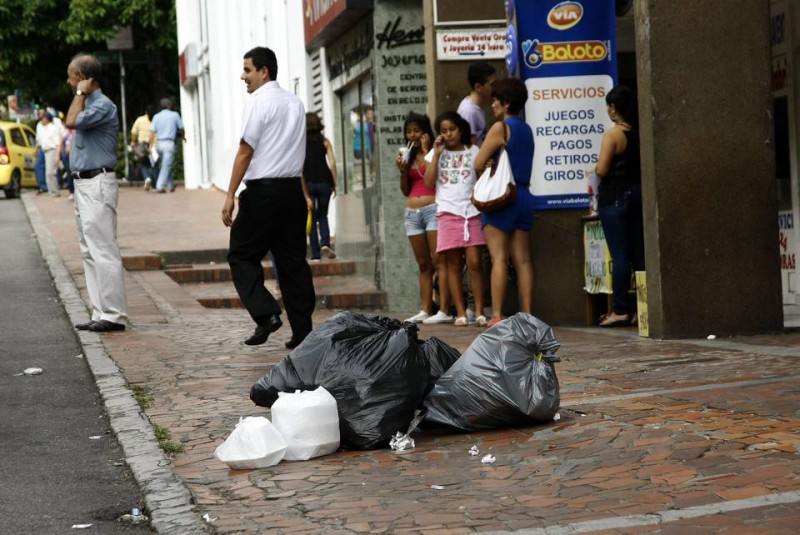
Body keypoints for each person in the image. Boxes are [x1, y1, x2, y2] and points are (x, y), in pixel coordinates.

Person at [221, 46, 315, 349]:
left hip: (263, 193)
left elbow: (245, 151)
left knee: (241, 254)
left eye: (247, 70)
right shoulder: (295, 103)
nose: (242, 76)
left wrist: (230, 195)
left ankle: (266, 314)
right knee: (292, 263)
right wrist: (302, 194)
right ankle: (303, 331)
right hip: (291, 194)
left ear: (264, 72)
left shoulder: (258, 102)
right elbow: (295, 153)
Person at [64, 53, 128, 332]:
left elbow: (70, 121)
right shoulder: (89, 104)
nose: (68, 81)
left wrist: (80, 93)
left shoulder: (102, 105)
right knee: (89, 249)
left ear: (83, 78)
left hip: (97, 183)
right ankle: (100, 309)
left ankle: (114, 314)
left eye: (71, 76)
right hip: (83, 184)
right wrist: (81, 94)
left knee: (103, 248)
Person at [474, 78, 536, 327]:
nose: (493, 106)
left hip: (501, 197)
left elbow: (478, 163)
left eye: (496, 101)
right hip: (523, 194)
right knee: (522, 259)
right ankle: (528, 313)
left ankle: (498, 315)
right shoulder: (526, 128)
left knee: (499, 257)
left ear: (506, 102)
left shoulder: (501, 128)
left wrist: (489, 162)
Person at [423, 111, 487, 326]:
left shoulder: (474, 151)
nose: (449, 134)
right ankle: (460, 312)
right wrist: (438, 154)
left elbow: (483, 177)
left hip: (472, 212)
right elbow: (429, 183)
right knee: (453, 265)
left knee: (475, 262)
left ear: (460, 130)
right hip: (448, 212)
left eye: (452, 129)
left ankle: (478, 311)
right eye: (443, 131)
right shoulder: (436, 153)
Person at [594, 85, 645, 327]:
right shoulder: (639, 132)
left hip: (614, 197)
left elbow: (602, 169)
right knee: (640, 254)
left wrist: (594, 169)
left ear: (614, 108)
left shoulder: (613, 135)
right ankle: (645, 307)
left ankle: (621, 309)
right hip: (637, 194)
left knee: (621, 255)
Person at [397, 112, 452, 324]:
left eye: (417, 131)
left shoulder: (434, 153)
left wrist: (429, 151)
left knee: (439, 260)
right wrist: (403, 172)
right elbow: (405, 190)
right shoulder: (407, 157)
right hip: (412, 213)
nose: (412, 135)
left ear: (425, 132)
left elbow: (431, 182)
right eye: (409, 131)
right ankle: (426, 308)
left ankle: (444, 309)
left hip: (432, 208)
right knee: (423, 264)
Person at [303, 112, 338, 260]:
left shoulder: (300, 143)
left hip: (308, 182)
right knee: (323, 215)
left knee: (311, 215)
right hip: (325, 182)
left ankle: (315, 253)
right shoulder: (325, 141)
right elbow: (332, 163)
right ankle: (325, 243)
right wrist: (334, 183)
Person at [457, 61, 497, 147]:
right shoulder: (468, 111)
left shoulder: (475, 108)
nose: (495, 88)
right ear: (478, 87)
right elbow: (469, 146)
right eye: (492, 85)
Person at [149, 98, 184, 193]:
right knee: (166, 165)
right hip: (169, 143)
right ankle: (160, 186)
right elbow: (181, 128)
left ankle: (171, 185)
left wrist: (150, 145)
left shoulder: (156, 116)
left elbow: (152, 132)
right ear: (169, 105)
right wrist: (183, 137)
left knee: (165, 164)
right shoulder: (175, 115)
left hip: (159, 143)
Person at [37, 112, 62, 197]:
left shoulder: (53, 129)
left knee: (50, 173)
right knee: (48, 173)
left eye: (43, 118)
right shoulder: (45, 129)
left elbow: (58, 143)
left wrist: (58, 155)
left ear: (47, 119)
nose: (42, 120)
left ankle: (55, 192)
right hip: (46, 151)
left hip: (52, 150)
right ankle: (52, 192)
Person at [130, 105, 154, 184]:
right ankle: (155, 182)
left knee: (144, 163)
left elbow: (133, 132)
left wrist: (133, 142)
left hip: (142, 146)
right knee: (155, 164)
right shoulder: (155, 119)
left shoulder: (139, 120)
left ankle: (147, 177)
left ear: (145, 112)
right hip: (153, 145)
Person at [33, 107, 48, 194]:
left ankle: (56, 185)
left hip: (52, 148)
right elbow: (38, 139)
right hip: (42, 149)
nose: (40, 115)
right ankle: (43, 187)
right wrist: (35, 149)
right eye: (39, 113)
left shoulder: (54, 122)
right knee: (38, 167)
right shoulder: (39, 125)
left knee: (51, 170)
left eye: (42, 113)